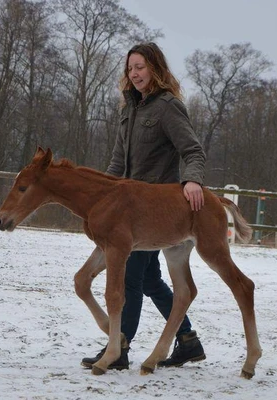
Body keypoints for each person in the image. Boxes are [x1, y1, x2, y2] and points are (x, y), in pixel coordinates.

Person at [81, 42, 207, 370]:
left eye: (140, 67)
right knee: (150, 280)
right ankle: (188, 341)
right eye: (130, 68)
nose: (134, 73)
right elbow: (116, 163)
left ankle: (119, 347)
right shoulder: (130, 109)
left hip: (153, 211)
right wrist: (99, 198)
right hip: (126, 208)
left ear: (155, 68)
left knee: (129, 277)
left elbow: (193, 150)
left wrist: (192, 179)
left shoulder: (168, 107)